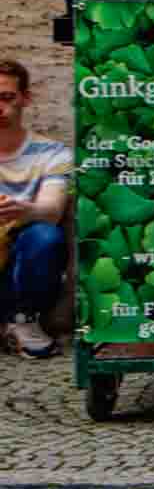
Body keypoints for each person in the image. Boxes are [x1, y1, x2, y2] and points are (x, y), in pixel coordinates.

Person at [0, 61, 71, 359]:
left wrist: (23, 210)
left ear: (25, 98)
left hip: (22, 268)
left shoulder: (52, 153)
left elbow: (52, 209)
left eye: (6, 97)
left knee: (45, 236)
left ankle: (22, 319)